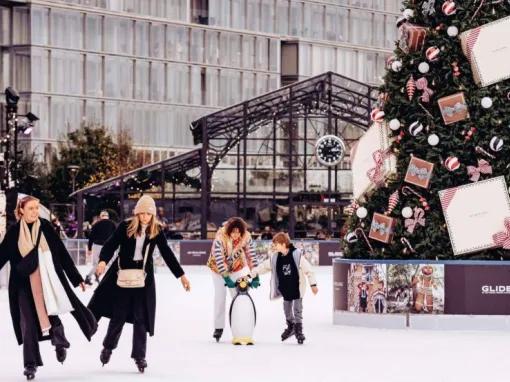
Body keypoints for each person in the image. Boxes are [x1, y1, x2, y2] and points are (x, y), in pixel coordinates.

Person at [88, 195, 191, 373]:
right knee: (118, 316)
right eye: (141, 213)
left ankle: (139, 356)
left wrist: (181, 275)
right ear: (136, 213)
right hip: (122, 276)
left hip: (143, 279)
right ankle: (108, 347)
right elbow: (110, 244)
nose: (144, 217)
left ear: (153, 215)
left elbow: (167, 253)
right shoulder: (125, 226)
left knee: (141, 318)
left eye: (148, 214)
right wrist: (103, 261)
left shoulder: (156, 230)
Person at [0, 196, 97, 380]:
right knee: (27, 323)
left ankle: (59, 341)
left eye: (37, 208)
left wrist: (76, 278)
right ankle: (30, 365)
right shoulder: (14, 232)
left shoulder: (45, 227)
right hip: (22, 284)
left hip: (46, 280)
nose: (35, 211)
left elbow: (61, 252)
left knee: (50, 313)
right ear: (21, 210)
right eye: (31, 208)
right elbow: (2, 255)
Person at [250, 232, 318, 344]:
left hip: (297, 288)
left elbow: (308, 270)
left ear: (283, 244)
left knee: (297, 310)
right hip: (285, 289)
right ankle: (291, 326)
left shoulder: (296, 255)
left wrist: (313, 284)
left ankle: (299, 330)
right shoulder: (275, 257)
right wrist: (251, 274)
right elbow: (263, 267)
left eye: (276, 244)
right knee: (287, 310)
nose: (274, 246)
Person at [207, 217, 260, 342]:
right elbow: (219, 259)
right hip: (217, 270)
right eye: (233, 232)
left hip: (237, 267)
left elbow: (251, 255)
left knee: (239, 296)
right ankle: (218, 327)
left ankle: (241, 324)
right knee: (220, 297)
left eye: (238, 232)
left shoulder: (246, 237)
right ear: (228, 230)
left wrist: (256, 275)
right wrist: (226, 277)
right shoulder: (220, 238)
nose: (236, 235)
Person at [84, 210, 116, 286]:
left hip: (97, 246)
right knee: (108, 263)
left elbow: (91, 237)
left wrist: (89, 248)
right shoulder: (112, 224)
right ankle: (102, 277)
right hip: (108, 246)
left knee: (96, 264)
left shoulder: (96, 224)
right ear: (108, 216)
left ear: (101, 217)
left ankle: (89, 277)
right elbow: (115, 237)